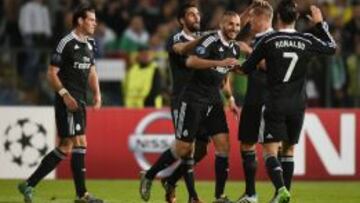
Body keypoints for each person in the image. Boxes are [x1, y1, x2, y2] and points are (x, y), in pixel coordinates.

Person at [237, 1, 336, 202]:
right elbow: (332, 48)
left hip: (274, 102)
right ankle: (282, 195)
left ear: (277, 18)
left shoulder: (269, 40)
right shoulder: (306, 39)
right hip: (298, 104)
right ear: (297, 18)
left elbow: (246, 68)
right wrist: (320, 25)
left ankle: (281, 189)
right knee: (289, 150)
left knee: (269, 152)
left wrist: (228, 65)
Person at [18, 4, 103, 203]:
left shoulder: (90, 43)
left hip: (80, 99)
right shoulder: (65, 42)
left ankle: (28, 184)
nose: (94, 23)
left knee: (65, 146)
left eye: (95, 20)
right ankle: (82, 195)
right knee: (80, 143)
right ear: (80, 21)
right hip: (68, 100)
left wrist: (97, 94)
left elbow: (91, 70)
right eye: (91, 19)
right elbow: (51, 73)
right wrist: (65, 94)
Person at [185, 11, 242, 203]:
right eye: (231, 24)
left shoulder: (234, 49)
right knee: (191, 150)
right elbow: (191, 61)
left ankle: (219, 196)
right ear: (222, 24)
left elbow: (224, 77)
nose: (234, 28)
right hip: (195, 99)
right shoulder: (209, 40)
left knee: (224, 146)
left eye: (237, 25)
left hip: (214, 100)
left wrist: (231, 99)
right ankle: (166, 179)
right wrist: (219, 62)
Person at [235, 2, 274, 203]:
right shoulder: (259, 38)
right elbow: (230, 28)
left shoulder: (272, 39)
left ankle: (275, 193)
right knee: (247, 145)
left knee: (269, 148)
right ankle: (251, 193)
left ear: (262, 19)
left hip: (263, 98)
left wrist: (249, 51)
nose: (249, 24)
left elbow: (270, 66)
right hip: (254, 96)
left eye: (252, 19)